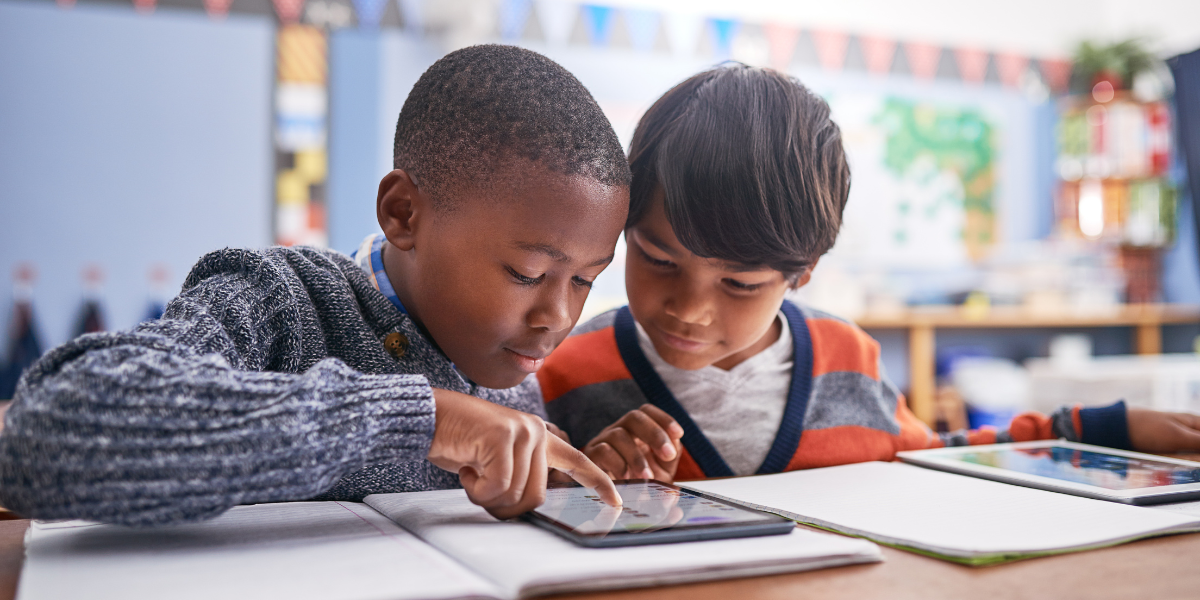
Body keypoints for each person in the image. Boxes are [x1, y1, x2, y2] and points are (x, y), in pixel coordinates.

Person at [0, 45, 627, 526]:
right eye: (527, 274)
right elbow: (47, 432)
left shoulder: (513, 376)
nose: (556, 315)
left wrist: (570, 479)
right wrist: (422, 419)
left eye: (585, 282)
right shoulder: (279, 300)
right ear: (404, 213)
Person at [536, 64, 1200, 483]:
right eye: (657, 259)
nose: (689, 308)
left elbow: (942, 457)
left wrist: (1094, 431)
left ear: (804, 272)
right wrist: (577, 481)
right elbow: (511, 496)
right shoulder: (565, 372)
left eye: (739, 284)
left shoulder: (848, 359)